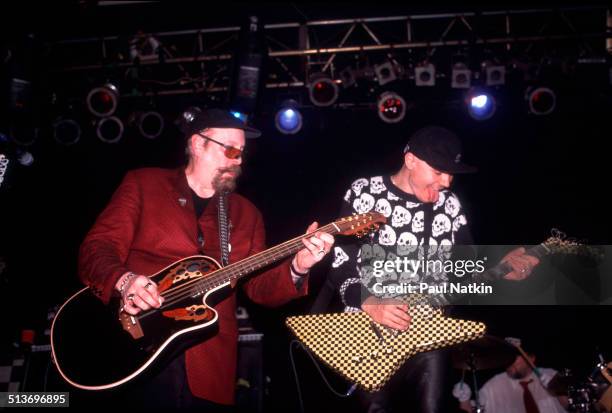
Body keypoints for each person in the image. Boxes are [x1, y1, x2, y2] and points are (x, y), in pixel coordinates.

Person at [78, 108, 335, 411]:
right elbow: (97, 248)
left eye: (242, 153)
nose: (238, 160)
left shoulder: (246, 214)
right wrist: (125, 281)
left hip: (209, 366)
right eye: (230, 149)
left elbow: (259, 288)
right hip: (134, 349)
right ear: (197, 144)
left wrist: (298, 266)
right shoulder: (143, 184)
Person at [320, 126, 540, 413]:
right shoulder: (365, 192)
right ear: (411, 160)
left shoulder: (450, 205)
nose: (447, 181)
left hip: (428, 334)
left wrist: (502, 269)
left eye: (450, 174)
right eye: (439, 172)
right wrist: (369, 301)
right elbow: (340, 262)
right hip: (368, 335)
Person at [453, 337, 568, 413]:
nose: (509, 362)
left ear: (531, 358)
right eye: (507, 357)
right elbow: (473, 410)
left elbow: (570, 407)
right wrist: (464, 400)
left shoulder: (550, 375)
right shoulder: (494, 385)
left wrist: (558, 390)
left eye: (515, 358)